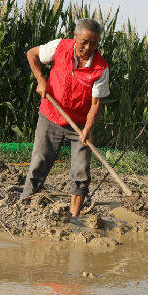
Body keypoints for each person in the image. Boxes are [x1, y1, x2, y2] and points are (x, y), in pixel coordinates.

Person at [20, 18, 110, 216]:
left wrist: (88, 128)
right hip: (50, 115)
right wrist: (41, 80)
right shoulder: (60, 46)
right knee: (39, 162)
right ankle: (25, 206)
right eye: (84, 42)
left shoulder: (101, 69)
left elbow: (95, 105)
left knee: (81, 170)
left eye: (94, 43)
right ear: (75, 36)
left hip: (79, 124)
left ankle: (75, 216)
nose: (88, 48)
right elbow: (31, 54)